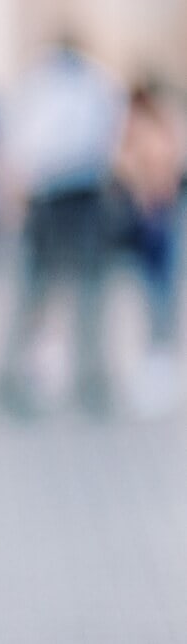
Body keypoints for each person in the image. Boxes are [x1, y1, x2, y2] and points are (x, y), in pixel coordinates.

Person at [0, 37, 124, 415]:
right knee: (71, 293)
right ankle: (81, 377)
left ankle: (33, 377)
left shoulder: (43, 83)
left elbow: (19, 143)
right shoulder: (96, 83)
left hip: (57, 196)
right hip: (71, 196)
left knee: (47, 293)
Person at [113, 78, 186, 417]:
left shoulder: (149, 131)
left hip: (158, 220)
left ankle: (159, 361)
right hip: (153, 220)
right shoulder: (146, 131)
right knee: (154, 295)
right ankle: (155, 361)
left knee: (159, 295)